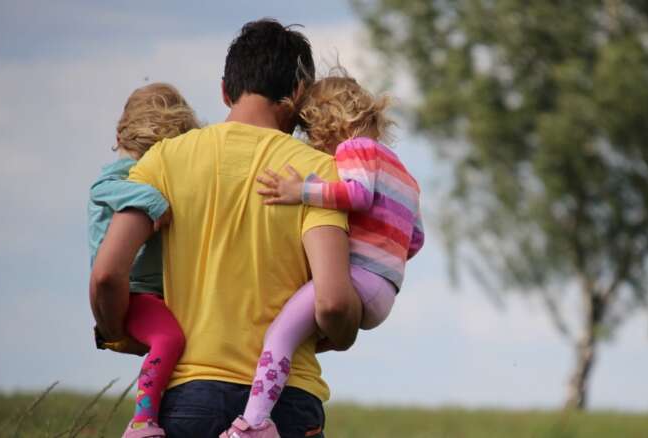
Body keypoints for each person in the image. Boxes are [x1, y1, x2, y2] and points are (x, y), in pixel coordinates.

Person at [89, 19, 361, 438]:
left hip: (187, 401)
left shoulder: (162, 161)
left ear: (224, 90)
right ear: (298, 95)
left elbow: (107, 274)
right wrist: (340, 335)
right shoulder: (317, 174)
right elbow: (335, 304)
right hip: (284, 406)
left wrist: (114, 333)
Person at [225, 71, 424, 435]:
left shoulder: (355, 149)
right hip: (384, 293)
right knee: (300, 334)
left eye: (311, 133)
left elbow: (358, 195)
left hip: (358, 280)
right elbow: (415, 240)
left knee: (279, 335)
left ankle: (252, 425)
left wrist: (303, 190)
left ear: (328, 123)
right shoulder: (406, 176)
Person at [88, 83, 197, 438]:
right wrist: (152, 199)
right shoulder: (121, 174)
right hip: (133, 291)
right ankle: (141, 421)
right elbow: (100, 191)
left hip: (154, 291)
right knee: (168, 339)